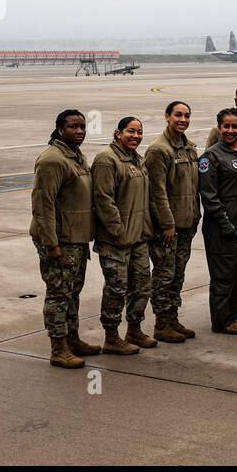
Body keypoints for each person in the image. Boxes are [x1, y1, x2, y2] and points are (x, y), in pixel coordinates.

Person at [30, 109, 99, 368]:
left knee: (73, 292)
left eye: (82, 126)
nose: (79, 131)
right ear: (60, 129)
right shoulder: (52, 160)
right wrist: (51, 244)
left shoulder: (75, 155)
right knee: (59, 294)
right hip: (60, 240)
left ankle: (72, 338)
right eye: (73, 127)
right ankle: (58, 348)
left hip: (76, 238)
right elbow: (42, 204)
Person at [92, 116, 156, 355]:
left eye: (139, 132)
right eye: (131, 131)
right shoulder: (107, 160)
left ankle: (134, 329)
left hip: (138, 237)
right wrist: (118, 231)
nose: (136, 136)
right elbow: (103, 200)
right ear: (118, 133)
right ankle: (111, 336)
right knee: (116, 289)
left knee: (141, 286)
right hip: (116, 241)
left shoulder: (137, 159)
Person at [144, 101, 202, 343]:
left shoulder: (188, 148)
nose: (183, 119)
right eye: (178, 115)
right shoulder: (159, 150)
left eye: (187, 115)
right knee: (164, 275)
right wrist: (167, 224)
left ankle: (172, 318)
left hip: (186, 224)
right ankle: (160, 324)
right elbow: (157, 192)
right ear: (167, 116)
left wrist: (195, 216)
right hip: (169, 228)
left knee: (177, 274)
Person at [200, 108, 237, 334]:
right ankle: (221, 321)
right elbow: (209, 196)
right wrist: (226, 225)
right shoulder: (211, 157)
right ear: (219, 128)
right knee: (223, 277)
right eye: (226, 126)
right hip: (223, 232)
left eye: (234, 126)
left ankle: (235, 314)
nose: (230, 131)